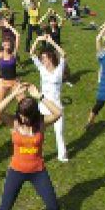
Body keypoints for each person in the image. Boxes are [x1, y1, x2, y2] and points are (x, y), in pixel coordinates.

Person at [0, 82, 69, 210]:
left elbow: (58, 112)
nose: (23, 118)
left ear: (34, 114)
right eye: (21, 114)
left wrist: (40, 96)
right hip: (16, 170)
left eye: (26, 116)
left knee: (52, 205)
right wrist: (13, 94)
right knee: (5, 206)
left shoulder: (41, 123)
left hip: (38, 171)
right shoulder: (13, 122)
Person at [30, 34, 68, 162]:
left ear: (51, 58)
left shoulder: (59, 70)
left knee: (59, 132)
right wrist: (37, 40)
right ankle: (36, 154)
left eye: (45, 59)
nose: (43, 61)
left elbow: (64, 54)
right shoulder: (41, 69)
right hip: (43, 105)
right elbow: (31, 53)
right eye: (42, 59)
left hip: (57, 105)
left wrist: (51, 41)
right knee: (39, 132)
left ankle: (62, 156)